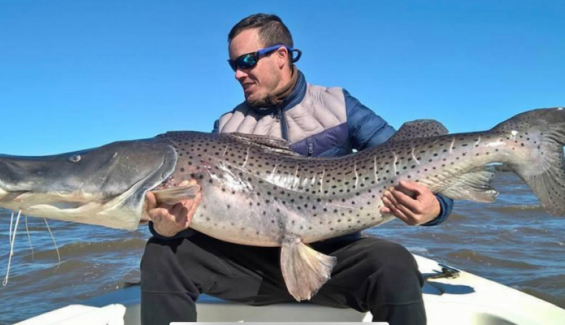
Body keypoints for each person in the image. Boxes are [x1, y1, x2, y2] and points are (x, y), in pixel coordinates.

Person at [140, 13, 454, 325]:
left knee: (394, 262)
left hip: (335, 261)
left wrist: (436, 208)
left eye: (247, 60)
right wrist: (165, 228)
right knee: (163, 253)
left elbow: (413, 157)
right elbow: (204, 211)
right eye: (233, 64)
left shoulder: (338, 106)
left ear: (280, 56)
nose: (238, 73)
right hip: (251, 269)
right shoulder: (225, 128)